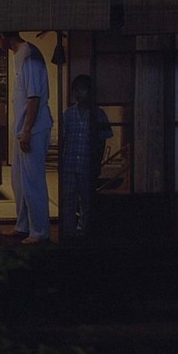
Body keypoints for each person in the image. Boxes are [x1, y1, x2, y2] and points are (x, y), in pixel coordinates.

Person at [0, 32, 53, 245]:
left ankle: (40, 231)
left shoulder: (30, 55)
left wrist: (27, 129)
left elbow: (34, 96)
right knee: (19, 181)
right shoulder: (19, 54)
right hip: (23, 127)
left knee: (33, 181)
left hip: (33, 127)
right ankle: (23, 225)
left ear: (3, 35)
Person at [60, 74, 113, 240]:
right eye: (77, 90)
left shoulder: (99, 114)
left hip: (87, 164)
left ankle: (83, 232)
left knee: (87, 201)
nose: (80, 94)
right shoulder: (68, 114)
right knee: (68, 200)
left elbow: (102, 141)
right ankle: (69, 232)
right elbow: (63, 140)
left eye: (83, 90)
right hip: (69, 164)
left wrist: (97, 163)